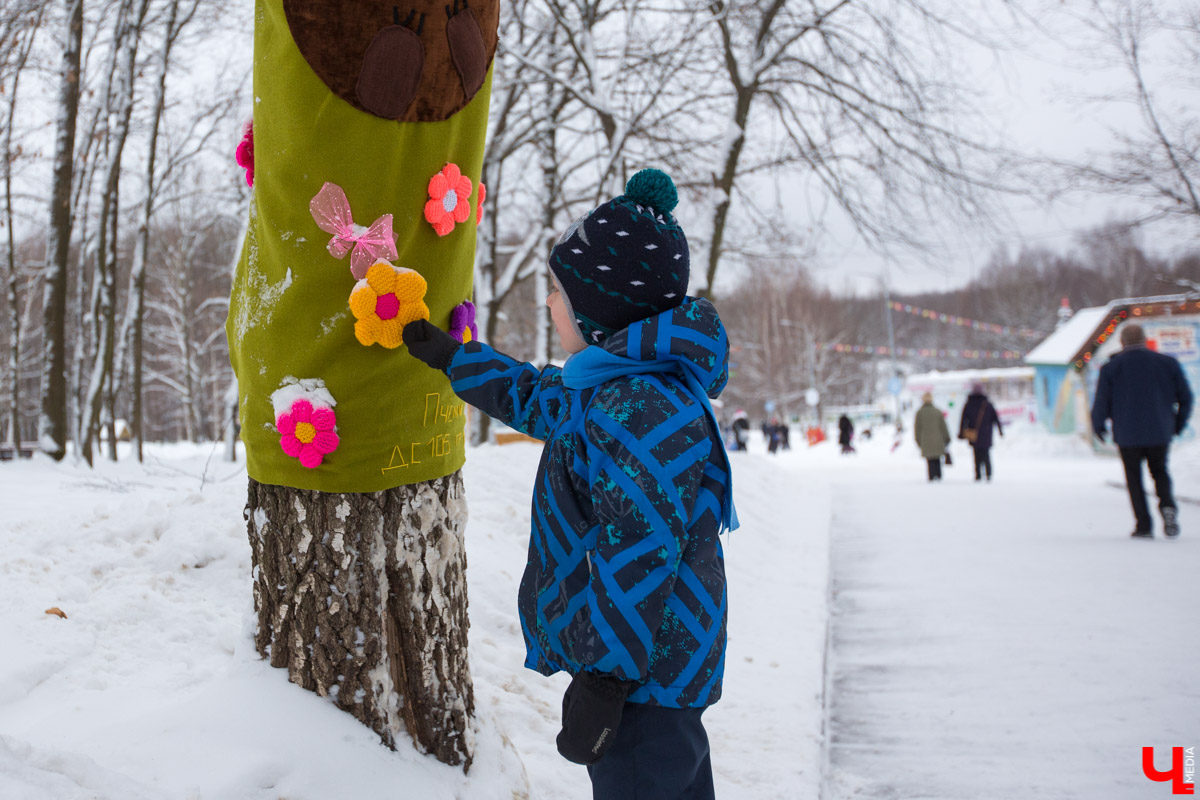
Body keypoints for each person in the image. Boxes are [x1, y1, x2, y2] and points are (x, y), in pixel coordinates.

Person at [403, 169, 735, 799]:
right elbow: (536, 397)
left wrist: (607, 682)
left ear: (600, 309)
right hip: (654, 664)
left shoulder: (639, 407)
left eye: (557, 292)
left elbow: (638, 546)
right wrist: (454, 358)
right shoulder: (612, 387)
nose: (549, 303)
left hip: (645, 677)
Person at [1091, 323, 1193, 539]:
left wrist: (1098, 425)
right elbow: (1186, 398)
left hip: (1127, 434)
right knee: (1160, 471)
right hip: (1159, 430)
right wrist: (1177, 424)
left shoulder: (1111, 368)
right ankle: (1168, 506)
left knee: (1134, 478)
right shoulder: (1168, 363)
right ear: (1145, 340)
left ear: (1122, 342)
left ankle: (1143, 525)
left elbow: (1101, 401)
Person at [958, 383, 1003, 481]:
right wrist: (1000, 430)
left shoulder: (969, 404)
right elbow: (995, 418)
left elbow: (963, 419)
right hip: (986, 433)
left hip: (974, 433)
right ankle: (988, 474)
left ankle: (978, 474)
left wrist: (961, 432)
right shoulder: (987, 404)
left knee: (976, 454)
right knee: (986, 453)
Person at [914, 392, 950, 481]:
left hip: (925, 440)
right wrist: (947, 437)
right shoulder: (937, 411)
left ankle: (931, 475)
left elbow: (917, 428)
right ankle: (938, 474)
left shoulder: (919, 413)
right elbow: (943, 426)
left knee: (929, 459)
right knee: (937, 458)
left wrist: (918, 440)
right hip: (938, 439)